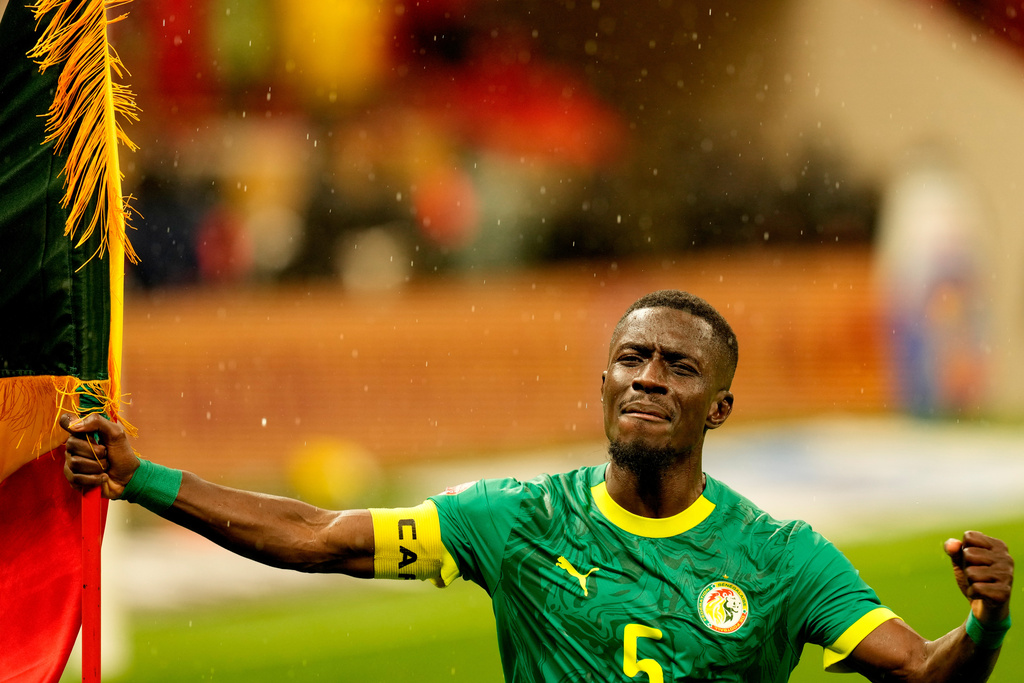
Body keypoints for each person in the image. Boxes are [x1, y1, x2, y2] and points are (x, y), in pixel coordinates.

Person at [61, 290, 1013, 682]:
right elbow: (318, 533)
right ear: (602, 381)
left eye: (679, 368)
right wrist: (144, 479)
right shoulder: (515, 521)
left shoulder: (782, 558)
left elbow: (927, 673)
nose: (648, 377)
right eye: (631, 358)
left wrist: (984, 625)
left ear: (720, 408)